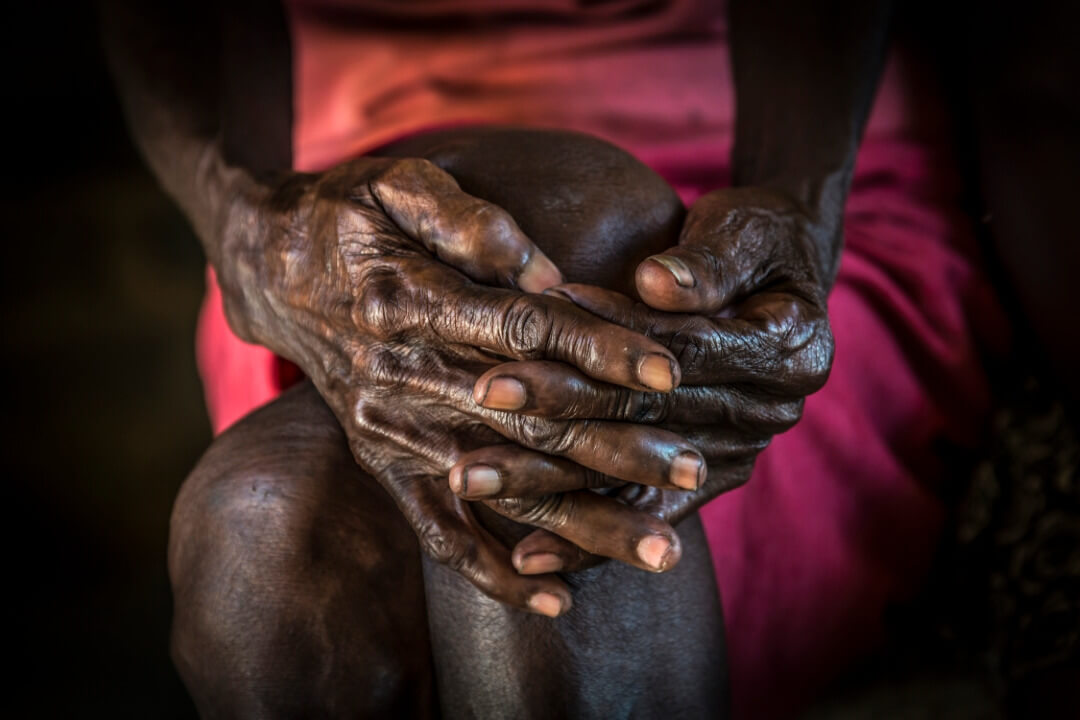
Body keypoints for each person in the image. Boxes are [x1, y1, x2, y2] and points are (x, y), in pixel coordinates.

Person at [103, 0, 1004, 716]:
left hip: (773, 204)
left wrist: (801, 210)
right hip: (344, 243)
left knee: (262, 520)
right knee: (273, 527)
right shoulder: (310, 239)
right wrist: (248, 224)